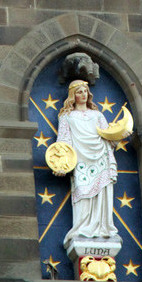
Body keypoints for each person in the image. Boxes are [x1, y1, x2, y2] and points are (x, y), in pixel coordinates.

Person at [54, 79, 119, 245]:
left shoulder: (97, 115)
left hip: (101, 156)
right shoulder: (66, 116)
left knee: (102, 194)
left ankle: (103, 227)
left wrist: (120, 132)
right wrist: (61, 164)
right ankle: (82, 227)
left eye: (85, 91)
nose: (83, 95)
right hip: (81, 159)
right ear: (73, 95)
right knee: (83, 192)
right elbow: (64, 141)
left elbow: (109, 136)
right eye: (79, 92)